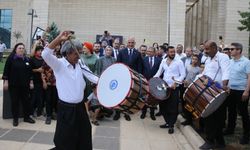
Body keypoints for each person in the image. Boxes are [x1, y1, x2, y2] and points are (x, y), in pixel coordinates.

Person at [42, 31, 98, 150]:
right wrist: (59, 39)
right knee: (66, 139)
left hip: (80, 107)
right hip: (66, 109)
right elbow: (45, 54)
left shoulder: (80, 64)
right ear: (67, 53)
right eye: (76, 53)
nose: (79, 56)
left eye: (80, 53)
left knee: (84, 134)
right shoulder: (59, 64)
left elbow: (92, 77)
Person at [199, 40, 230, 150]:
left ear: (214, 48)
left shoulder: (223, 57)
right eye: (205, 49)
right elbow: (205, 73)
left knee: (219, 118)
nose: (205, 51)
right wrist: (199, 79)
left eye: (207, 49)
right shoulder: (207, 59)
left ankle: (220, 142)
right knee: (208, 116)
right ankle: (210, 140)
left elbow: (226, 71)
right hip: (208, 91)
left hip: (219, 91)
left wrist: (225, 85)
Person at [154, 46, 186, 134]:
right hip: (164, 87)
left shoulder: (179, 62)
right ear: (167, 52)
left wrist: (176, 83)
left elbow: (183, 75)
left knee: (172, 107)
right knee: (163, 105)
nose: (173, 53)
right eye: (171, 52)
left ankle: (171, 125)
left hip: (174, 88)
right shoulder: (163, 61)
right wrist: (152, 80)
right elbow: (158, 73)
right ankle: (168, 122)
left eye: (173, 52)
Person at [2, 43, 35, 126]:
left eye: (23, 48)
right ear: (15, 49)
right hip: (14, 85)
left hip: (25, 85)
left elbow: (30, 72)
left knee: (26, 101)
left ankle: (26, 117)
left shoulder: (26, 60)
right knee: (15, 102)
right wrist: (6, 82)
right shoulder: (11, 58)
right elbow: (6, 71)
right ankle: (15, 119)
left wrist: (31, 82)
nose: (21, 49)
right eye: (19, 48)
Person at [223, 43, 250, 144]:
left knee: (243, 113)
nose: (230, 51)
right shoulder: (230, 62)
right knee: (231, 111)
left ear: (239, 50)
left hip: (242, 91)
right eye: (230, 49)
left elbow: (249, 77)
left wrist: (247, 91)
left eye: (232, 49)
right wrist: (226, 86)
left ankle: (246, 134)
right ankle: (230, 129)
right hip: (231, 90)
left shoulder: (246, 62)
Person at [114, 37, 143, 121]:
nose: (130, 44)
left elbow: (139, 67)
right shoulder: (121, 52)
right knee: (119, 95)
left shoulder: (138, 53)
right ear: (127, 43)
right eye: (129, 42)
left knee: (129, 96)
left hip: (132, 79)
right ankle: (117, 113)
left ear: (135, 43)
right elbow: (118, 64)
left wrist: (138, 77)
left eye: (132, 43)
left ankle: (126, 113)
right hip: (122, 78)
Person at [140, 47, 162, 120]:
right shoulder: (144, 59)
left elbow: (160, 71)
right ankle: (144, 112)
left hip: (155, 82)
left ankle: (152, 114)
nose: (149, 53)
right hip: (145, 81)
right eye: (148, 51)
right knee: (145, 97)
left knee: (153, 98)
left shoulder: (159, 60)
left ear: (154, 52)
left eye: (151, 51)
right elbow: (141, 70)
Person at [181, 54, 201, 126]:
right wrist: (184, 80)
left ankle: (191, 118)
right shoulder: (187, 67)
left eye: (196, 59)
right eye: (193, 59)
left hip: (192, 88)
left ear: (198, 60)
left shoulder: (199, 69)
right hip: (185, 87)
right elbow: (183, 75)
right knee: (185, 103)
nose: (194, 60)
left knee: (190, 104)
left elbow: (198, 79)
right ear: (191, 59)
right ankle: (187, 118)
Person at [30, 45, 45, 117]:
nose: (40, 52)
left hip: (42, 81)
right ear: (35, 51)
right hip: (34, 81)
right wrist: (37, 70)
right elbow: (29, 70)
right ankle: (31, 112)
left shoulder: (43, 60)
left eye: (41, 50)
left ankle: (39, 112)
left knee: (40, 98)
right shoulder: (32, 59)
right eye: (39, 50)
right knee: (33, 97)